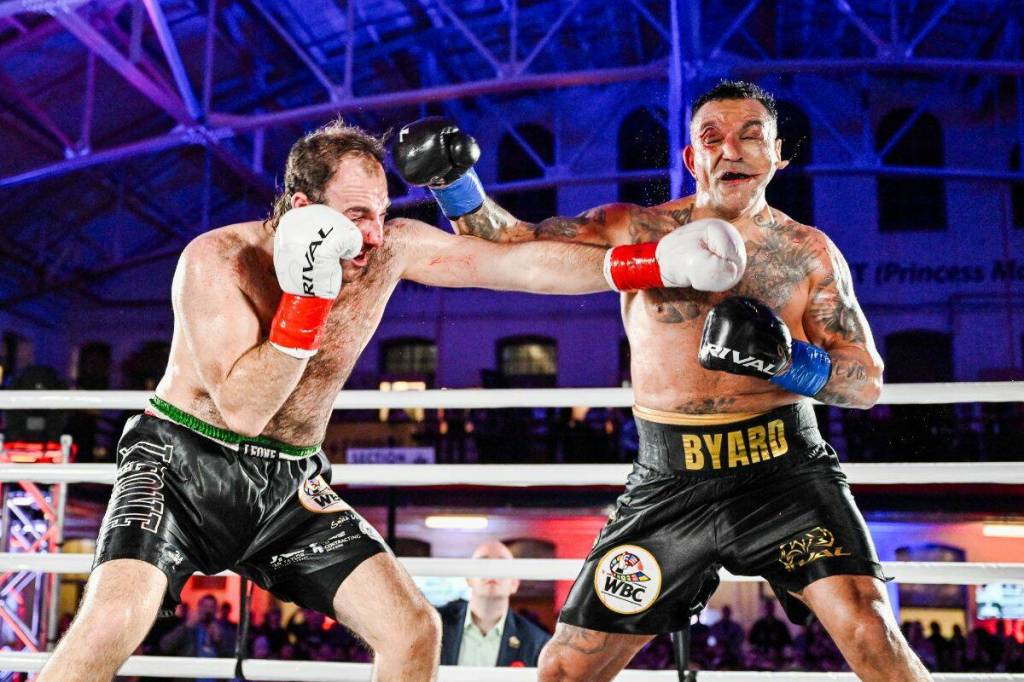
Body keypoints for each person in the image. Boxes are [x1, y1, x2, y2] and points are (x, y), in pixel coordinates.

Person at [39, 119, 743, 682]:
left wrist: (651, 264)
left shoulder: (390, 250)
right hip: (185, 461)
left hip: (289, 480)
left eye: (379, 213)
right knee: (107, 629)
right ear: (302, 209)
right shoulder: (219, 261)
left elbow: (514, 264)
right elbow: (246, 408)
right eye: (354, 216)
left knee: (413, 631)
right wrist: (306, 301)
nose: (372, 235)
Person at [395, 80, 931, 682]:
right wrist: (453, 183)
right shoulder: (635, 230)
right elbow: (513, 245)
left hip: (784, 473)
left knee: (871, 630)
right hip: (669, 479)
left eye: (751, 136)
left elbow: (865, 383)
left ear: (778, 154)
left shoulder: (809, 252)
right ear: (690, 158)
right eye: (712, 137)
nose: (731, 150)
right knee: (566, 668)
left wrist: (787, 361)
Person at [437, 540, 551, 667]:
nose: (492, 571)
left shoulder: (536, 643)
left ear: (515, 583)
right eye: (483, 563)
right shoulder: (434, 626)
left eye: (502, 565)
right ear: (468, 579)